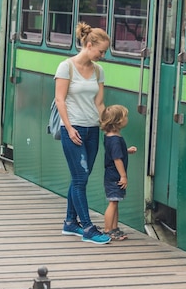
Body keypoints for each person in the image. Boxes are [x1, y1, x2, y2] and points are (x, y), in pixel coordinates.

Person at [56, 22, 111, 244]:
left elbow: (99, 102)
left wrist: (107, 126)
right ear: (89, 45)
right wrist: (69, 128)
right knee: (79, 178)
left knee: (82, 177)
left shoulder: (99, 71)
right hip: (74, 128)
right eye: (101, 51)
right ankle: (87, 227)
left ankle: (70, 222)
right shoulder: (66, 67)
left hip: (92, 129)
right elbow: (60, 99)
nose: (103, 55)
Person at [99, 104, 137, 240]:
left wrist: (126, 151)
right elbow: (116, 158)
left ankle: (114, 228)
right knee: (113, 202)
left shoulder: (109, 136)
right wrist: (123, 176)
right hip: (115, 176)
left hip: (111, 175)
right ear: (118, 121)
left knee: (115, 201)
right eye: (125, 116)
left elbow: (114, 153)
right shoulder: (115, 139)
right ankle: (108, 229)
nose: (127, 119)